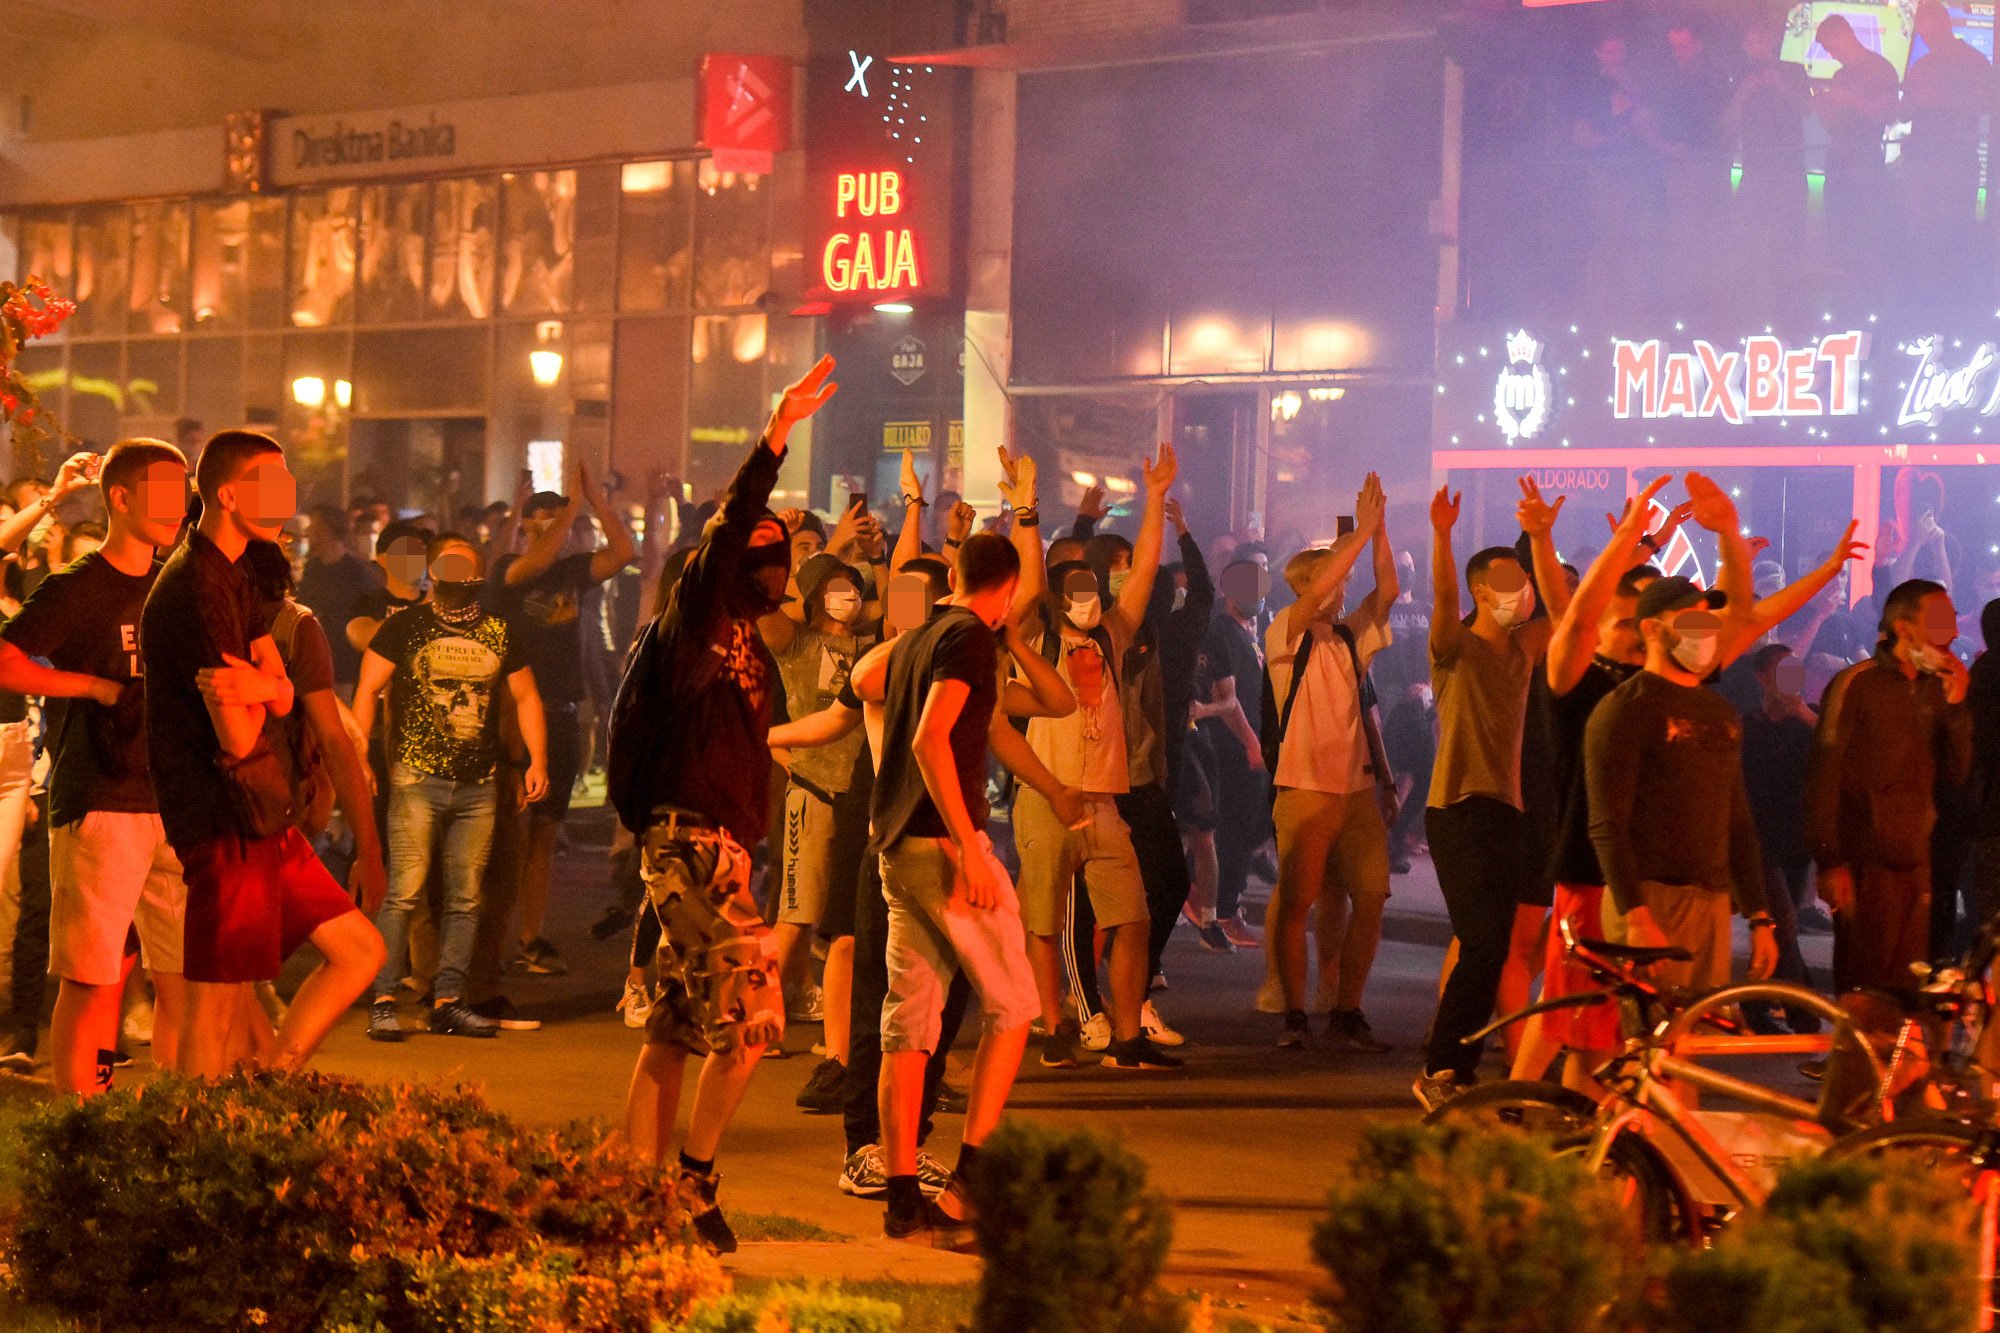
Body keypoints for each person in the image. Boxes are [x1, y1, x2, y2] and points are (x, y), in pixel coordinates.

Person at [612, 355, 838, 1255]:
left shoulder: (749, 638)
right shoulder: (698, 620)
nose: (786, 567)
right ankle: (693, 1179)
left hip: (720, 847)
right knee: (755, 1018)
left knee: (674, 1027)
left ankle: (633, 1196)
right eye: (771, 556)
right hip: (688, 841)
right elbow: (728, 537)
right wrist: (773, 442)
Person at [142, 429, 386, 1078]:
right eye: (270, 484)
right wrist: (267, 694)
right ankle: (194, 1146)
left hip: (264, 814)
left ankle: (270, 1084)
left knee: (359, 948)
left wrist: (269, 687)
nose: (288, 497)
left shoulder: (238, 572)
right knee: (215, 1007)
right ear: (226, 493)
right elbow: (239, 736)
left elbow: (276, 697)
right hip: (225, 817)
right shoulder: (197, 585)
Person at [862, 529, 1045, 1248]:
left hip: (896, 846)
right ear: (1005, 588)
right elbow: (931, 737)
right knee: (1016, 1003)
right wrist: (970, 841)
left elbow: (864, 686)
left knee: (909, 1022)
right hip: (940, 844)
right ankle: (968, 1185)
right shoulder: (970, 637)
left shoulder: (918, 635)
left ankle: (902, 1195)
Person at [0, 442, 187, 1095]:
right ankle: (82, 1120)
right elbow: (8, 659)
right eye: (163, 492)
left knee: (184, 975)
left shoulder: (180, 581)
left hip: (176, 801)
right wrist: (93, 687)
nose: (177, 507)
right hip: (102, 799)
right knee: (92, 975)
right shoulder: (80, 584)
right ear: (121, 497)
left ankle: (169, 1117)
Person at [1015, 443, 1182, 1073]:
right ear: (1060, 598)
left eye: (1095, 588)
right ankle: (1053, 1025)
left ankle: (1126, 1034)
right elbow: (1031, 581)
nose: (1091, 596)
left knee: (1132, 916)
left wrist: (1158, 498)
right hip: (1046, 798)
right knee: (1045, 920)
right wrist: (1026, 514)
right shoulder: (1034, 640)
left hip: (1105, 804)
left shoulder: (1112, 636)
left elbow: (1140, 576)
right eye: (1078, 589)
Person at [351, 534, 549, 1041]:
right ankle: (385, 999)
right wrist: (359, 758)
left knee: (466, 898)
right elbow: (367, 689)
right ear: (433, 575)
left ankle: (448, 1001)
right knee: (404, 893)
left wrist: (535, 759)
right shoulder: (405, 626)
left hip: (477, 783)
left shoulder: (499, 632)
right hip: (417, 778)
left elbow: (526, 696)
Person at [1412, 478, 1570, 1112]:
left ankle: (1456, 1065)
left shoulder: (1525, 649)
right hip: (1456, 808)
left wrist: (1542, 538)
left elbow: (1566, 613)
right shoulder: (1454, 648)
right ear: (1483, 593)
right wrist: (1443, 537)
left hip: (1508, 809)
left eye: (1523, 583)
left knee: (1496, 946)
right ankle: (1441, 1064)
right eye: (1507, 585)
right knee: (1481, 941)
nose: (1520, 594)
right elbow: (1445, 601)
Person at [1585, 575, 1779, 997]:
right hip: (1651, 897)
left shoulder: (1721, 710)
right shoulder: (1625, 709)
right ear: (1653, 629)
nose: (1705, 634)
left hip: (1712, 899)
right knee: (1649, 1045)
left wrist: (1759, 917)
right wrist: (1636, 916)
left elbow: (1737, 817)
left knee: (1698, 1038)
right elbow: (1607, 823)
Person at [1264, 475, 1399, 1052]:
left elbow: (1388, 589)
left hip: (1355, 790)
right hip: (1303, 787)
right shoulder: (1284, 633)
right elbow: (1320, 587)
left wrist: (1379, 531)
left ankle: (1347, 1007)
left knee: (1371, 895)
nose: (1344, 587)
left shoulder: (1348, 639)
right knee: (1297, 901)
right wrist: (1360, 532)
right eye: (1333, 579)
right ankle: (1295, 1011)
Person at [489, 463, 634, 979]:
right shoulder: (508, 568)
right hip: (517, 718)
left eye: (559, 523)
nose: (552, 531)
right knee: (508, 831)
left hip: (564, 714)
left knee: (546, 833)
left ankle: (531, 937)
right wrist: (565, 514)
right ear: (525, 525)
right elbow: (536, 561)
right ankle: (488, 939)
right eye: (541, 522)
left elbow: (624, 553)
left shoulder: (573, 573)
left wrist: (594, 497)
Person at [1807, 579, 1972, 1022]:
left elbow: (1957, 773)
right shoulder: (1856, 683)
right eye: (1939, 621)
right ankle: (1851, 1078)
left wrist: (1958, 705)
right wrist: (1828, 861)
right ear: (1903, 626)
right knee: (1863, 989)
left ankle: (1891, 1083)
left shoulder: (1935, 689)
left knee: (1904, 990)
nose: (1951, 633)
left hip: (1915, 857)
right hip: (1864, 861)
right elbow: (1824, 776)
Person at [762, 551, 876, 1032]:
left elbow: (911, 598)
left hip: (863, 798)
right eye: (831, 586)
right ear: (811, 599)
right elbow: (764, 609)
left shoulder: (876, 644)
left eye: (851, 584)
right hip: (812, 790)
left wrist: (914, 518)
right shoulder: (797, 643)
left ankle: (833, 1023)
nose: (845, 593)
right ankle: (761, 1016)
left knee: (853, 922)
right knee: (797, 913)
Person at [1197, 549, 1273, 949]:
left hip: (1251, 743)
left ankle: (1210, 900)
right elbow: (1226, 699)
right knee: (1234, 831)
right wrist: (1251, 742)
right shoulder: (1222, 632)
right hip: (1233, 745)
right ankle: (1226, 911)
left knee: (1245, 827)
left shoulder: (1247, 631)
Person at [1812, 15, 1900, 304]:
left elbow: (1887, 116)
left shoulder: (1880, 69)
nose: (1829, 53)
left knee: (1866, 235)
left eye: (1830, 45)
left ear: (1843, 35)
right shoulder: (1840, 76)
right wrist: (1823, 108)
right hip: (1838, 160)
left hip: (1864, 162)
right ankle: (1842, 301)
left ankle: (1869, 302)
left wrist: (1851, 100)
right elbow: (1834, 127)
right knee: (1839, 233)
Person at [297, 504, 375, 693]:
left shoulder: (355, 572)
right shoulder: (313, 568)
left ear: (327, 529)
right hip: (315, 660)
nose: (308, 530)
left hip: (343, 666)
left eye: (314, 525)